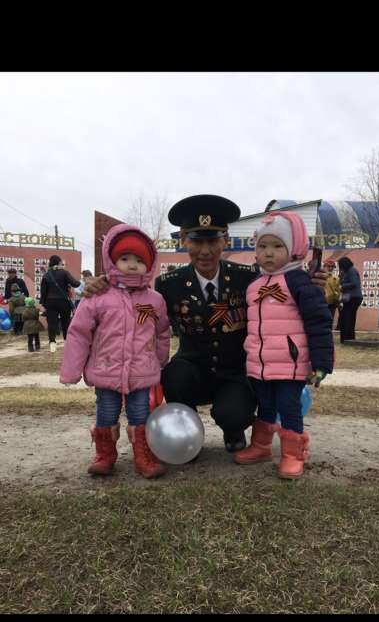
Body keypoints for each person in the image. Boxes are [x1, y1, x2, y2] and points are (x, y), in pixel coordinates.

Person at [83, 194, 328, 455]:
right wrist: (106, 286)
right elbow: (132, 302)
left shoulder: (248, 278)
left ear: (225, 240)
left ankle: (233, 430)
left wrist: (310, 285)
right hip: (192, 368)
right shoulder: (169, 284)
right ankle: (187, 430)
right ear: (184, 240)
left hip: (234, 371)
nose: (205, 251)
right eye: (196, 241)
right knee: (173, 377)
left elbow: (286, 293)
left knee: (234, 412)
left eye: (212, 240)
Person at [60, 224, 170, 478]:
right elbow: (79, 333)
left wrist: (159, 358)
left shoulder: (154, 300)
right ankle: (105, 454)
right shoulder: (97, 297)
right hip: (106, 369)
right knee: (106, 412)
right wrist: (71, 371)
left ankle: (144, 456)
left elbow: (163, 331)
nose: (132, 265)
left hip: (141, 371)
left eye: (139, 260)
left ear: (150, 264)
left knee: (140, 413)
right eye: (125, 258)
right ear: (112, 260)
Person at [233, 211, 333, 478]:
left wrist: (322, 364)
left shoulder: (302, 282)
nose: (268, 253)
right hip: (260, 364)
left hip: (290, 364)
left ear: (295, 249)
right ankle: (261, 446)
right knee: (264, 406)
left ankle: (292, 454)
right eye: (263, 246)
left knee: (289, 407)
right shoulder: (254, 286)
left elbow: (319, 323)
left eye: (278, 246)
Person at [40, 255, 80, 353]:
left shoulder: (47, 275)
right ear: (59, 262)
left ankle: (52, 344)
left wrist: (44, 304)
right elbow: (75, 283)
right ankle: (66, 342)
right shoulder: (64, 273)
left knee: (52, 323)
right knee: (65, 322)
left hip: (50, 302)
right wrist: (80, 282)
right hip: (63, 302)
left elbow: (43, 292)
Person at [337, 256, 363, 343]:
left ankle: (347, 338)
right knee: (349, 318)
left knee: (346, 318)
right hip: (350, 297)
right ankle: (349, 338)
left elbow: (354, 283)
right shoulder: (348, 272)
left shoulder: (352, 270)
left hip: (353, 298)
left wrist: (342, 286)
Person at [323, 258, 341, 327]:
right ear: (324, 266)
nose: (330, 268)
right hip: (322, 302)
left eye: (332, 267)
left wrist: (338, 300)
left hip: (332, 303)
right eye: (328, 266)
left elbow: (338, 291)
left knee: (330, 320)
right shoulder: (320, 277)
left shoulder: (336, 278)